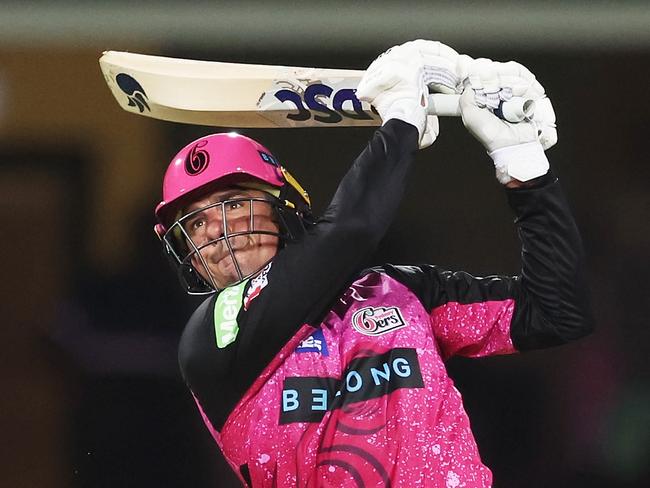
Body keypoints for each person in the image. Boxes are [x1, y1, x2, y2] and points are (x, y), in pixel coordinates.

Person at [154, 41, 593, 487]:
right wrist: (400, 123)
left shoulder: (401, 292)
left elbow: (556, 312)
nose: (213, 231)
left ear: (283, 207)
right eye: (193, 223)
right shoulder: (212, 338)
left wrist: (523, 167)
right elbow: (351, 230)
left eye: (231, 204)